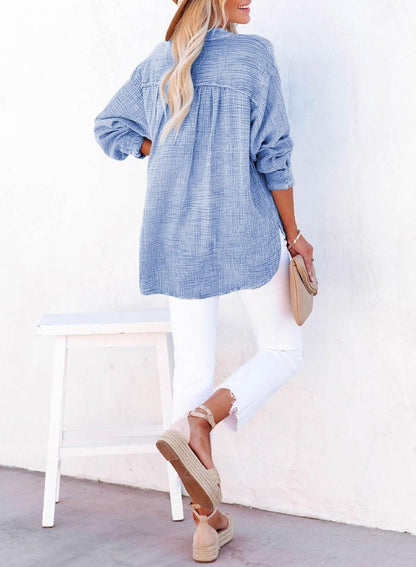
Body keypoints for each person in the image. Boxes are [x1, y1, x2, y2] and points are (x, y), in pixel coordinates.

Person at [94, 0, 314, 562]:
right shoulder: (253, 58)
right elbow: (274, 156)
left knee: (192, 367)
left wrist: (164, 149)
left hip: (178, 236)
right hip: (245, 231)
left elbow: (110, 128)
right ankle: (204, 418)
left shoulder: (160, 62)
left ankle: (206, 523)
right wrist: (295, 236)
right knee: (283, 349)